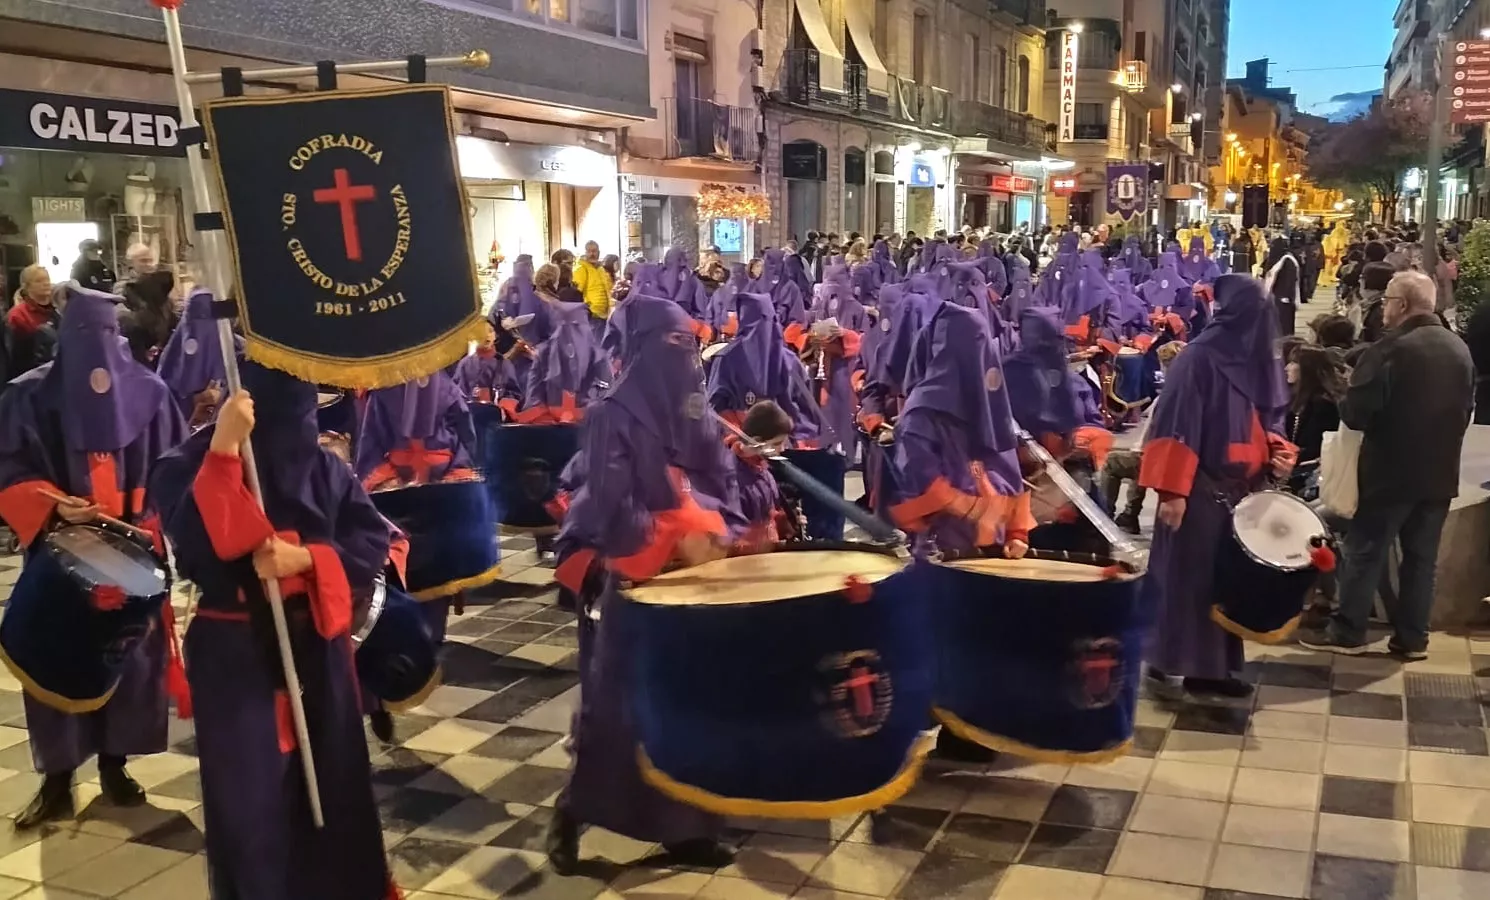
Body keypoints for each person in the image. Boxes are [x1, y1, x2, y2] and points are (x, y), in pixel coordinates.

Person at [149, 361, 398, 899]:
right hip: (236, 655)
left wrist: (306, 557)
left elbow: (371, 541)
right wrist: (221, 456)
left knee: (335, 787)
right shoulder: (185, 465)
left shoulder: (326, 469)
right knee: (251, 802)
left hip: (317, 646)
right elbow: (202, 547)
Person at [547, 294, 738, 873]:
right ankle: (573, 812)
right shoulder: (611, 415)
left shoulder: (692, 405)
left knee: (689, 700)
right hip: (631, 572)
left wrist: (715, 519)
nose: (686, 357)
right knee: (618, 707)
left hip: (691, 576)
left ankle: (686, 828)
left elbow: (718, 473)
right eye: (673, 345)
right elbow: (608, 502)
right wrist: (670, 538)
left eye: (691, 345)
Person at [0, 284, 188, 827]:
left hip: (134, 554)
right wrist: (57, 508)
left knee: (129, 660)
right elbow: (8, 468)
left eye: (104, 334)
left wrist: (153, 521)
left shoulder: (151, 395)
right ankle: (56, 777)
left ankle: (115, 765)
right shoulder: (27, 396)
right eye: (85, 335)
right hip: (61, 556)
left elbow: (175, 472)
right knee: (56, 654)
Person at [1299, 272, 1474, 659]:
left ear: (1403, 305)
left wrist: (1344, 392)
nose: (1383, 308)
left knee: (1366, 551)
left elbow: (1357, 415)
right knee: (1420, 561)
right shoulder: (1458, 348)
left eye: (1389, 299)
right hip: (1440, 474)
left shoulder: (1390, 350)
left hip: (1388, 474)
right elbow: (1466, 411)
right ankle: (1412, 639)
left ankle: (1348, 632)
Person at [1139, 275, 1295, 697]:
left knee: (1225, 583)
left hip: (1242, 490)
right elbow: (1175, 425)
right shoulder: (1199, 359)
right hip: (1199, 491)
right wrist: (1172, 492)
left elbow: (1266, 417)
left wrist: (1275, 450)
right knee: (1190, 582)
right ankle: (1188, 666)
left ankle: (1214, 667)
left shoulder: (1258, 361)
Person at [889, 301, 1034, 558]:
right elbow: (921, 484)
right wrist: (981, 511)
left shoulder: (990, 405)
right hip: (943, 553)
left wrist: (1017, 533)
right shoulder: (920, 416)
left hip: (997, 549)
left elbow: (1008, 469)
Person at [156, 287, 231, 427]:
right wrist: (192, 402)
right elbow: (162, 409)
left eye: (206, 321)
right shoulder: (171, 361)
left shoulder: (236, 354)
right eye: (194, 321)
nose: (199, 331)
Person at [1283, 344, 1343, 498]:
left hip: (1309, 479)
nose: (1287, 368)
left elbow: (1315, 447)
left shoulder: (1322, 404)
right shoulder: (1298, 400)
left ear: (1307, 369)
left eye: (1293, 363)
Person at [7, 264, 60, 378]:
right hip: (33, 376)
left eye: (47, 279)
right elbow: (16, 359)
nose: (46, 283)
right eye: (39, 280)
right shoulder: (17, 315)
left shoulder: (60, 309)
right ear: (26, 287)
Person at [1261, 238, 1301, 336]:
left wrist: (1286, 296)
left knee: (1284, 324)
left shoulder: (1288, 260)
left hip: (1284, 298)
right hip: (1274, 296)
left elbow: (1290, 280)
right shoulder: (1276, 258)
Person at [572, 240, 614, 322]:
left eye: (594, 251)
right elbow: (576, 293)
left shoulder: (601, 269)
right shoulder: (581, 269)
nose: (592, 254)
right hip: (591, 314)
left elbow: (608, 290)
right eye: (589, 251)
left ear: (599, 253)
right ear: (585, 252)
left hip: (605, 314)